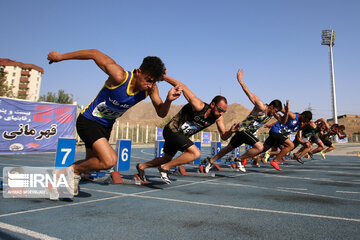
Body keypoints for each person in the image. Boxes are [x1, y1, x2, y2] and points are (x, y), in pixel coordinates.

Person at [47, 49, 182, 195]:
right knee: (109, 161)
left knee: (94, 163)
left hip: (106, 127)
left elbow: (161, 113)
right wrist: (60, 56)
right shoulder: (119, 76)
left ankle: (72, 174)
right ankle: (69, 172)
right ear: (138, 71)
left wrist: (168, 100)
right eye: (148, 80)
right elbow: (94, 53)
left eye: (154, 82)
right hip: (88, 121)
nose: (150, 85)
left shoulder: (150, 90)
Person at [136, 74, 239, 184]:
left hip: (180, 137)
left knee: (166, 158)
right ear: (212, 105)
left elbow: (224, 136)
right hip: (172, 130)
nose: (221, 113)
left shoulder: (218, 118)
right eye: (220, 109)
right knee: (195, 153)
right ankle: (165, 168)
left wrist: (231, 132)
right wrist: (164, 77)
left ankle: (142, 166)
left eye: (224, 111)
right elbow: (183, 86)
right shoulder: (198, 105)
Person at [204, 69, 284, 173]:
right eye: (276, 111)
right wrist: (240, 81)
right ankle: (239, 160)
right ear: (271, 106)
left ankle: (211, 161)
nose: (275, 113)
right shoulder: (261, 107)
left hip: (247, 133)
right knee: (260, 147)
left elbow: (283, 121)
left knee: (228, 148)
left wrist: (285, 112)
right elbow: (249, 94)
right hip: (243, 129)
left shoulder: (274, 114)